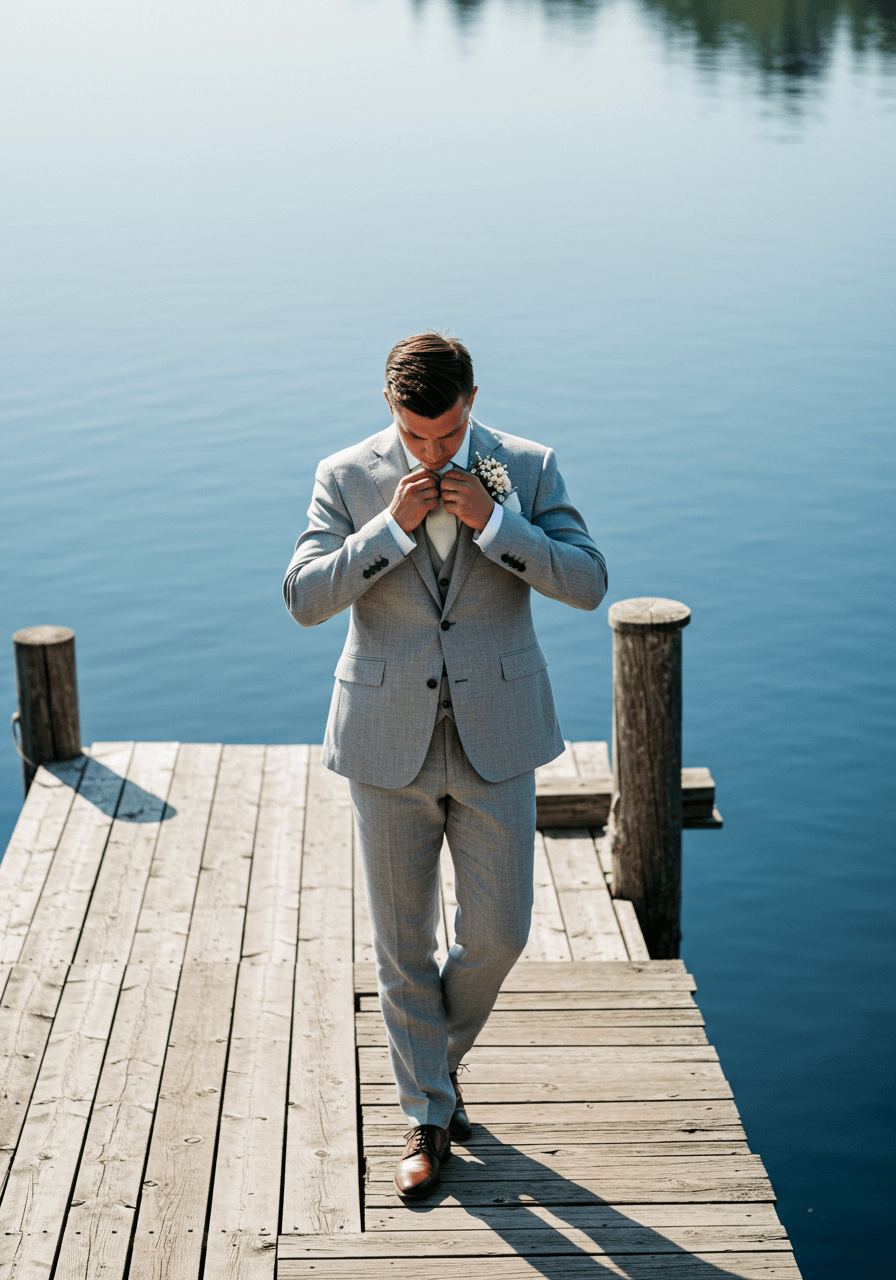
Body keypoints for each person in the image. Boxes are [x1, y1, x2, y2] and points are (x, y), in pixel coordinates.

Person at [283, 333, 607, 1199]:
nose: (434, 451)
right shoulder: (346, 476)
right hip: (386, 742)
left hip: (498, 735)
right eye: (417, 435)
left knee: (499, 933)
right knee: (402, 945)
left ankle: (435, 1062)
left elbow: (587, 581)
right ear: (391, 410)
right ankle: (427, 1115)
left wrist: (497, 525)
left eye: (448, 432)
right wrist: (387, 528)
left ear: (472, 399)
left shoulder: (527, 467)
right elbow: (306, 599)